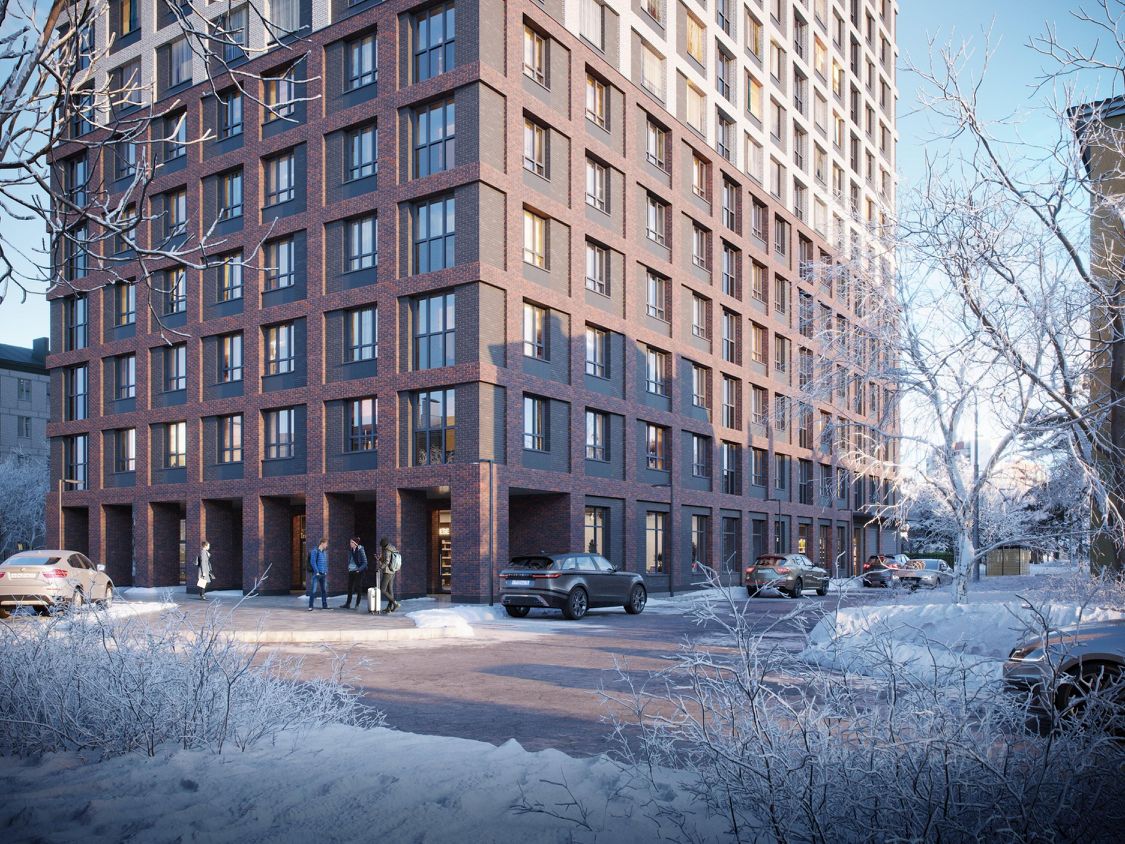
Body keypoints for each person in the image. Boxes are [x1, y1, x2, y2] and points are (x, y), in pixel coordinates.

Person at [340, 536, 368, 609]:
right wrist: (349, 567)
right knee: (350, 587)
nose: (350, 543)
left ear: (355, 543)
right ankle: (348, 604)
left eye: (351, 542)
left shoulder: (360, 550)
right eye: (350, 542)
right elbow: (351, 560)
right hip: (352, 570)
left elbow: (365, 563)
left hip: (359, 571)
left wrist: (359, 570)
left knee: (358, 587)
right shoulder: (351, 550)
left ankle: (357, 604)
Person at [378, 537, 401, 613]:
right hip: (392, 571)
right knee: (390, 589)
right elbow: (387, 560)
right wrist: (379, 559)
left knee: (382, 590)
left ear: (383, 545)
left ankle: (395, 603)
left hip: (387, 572)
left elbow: (387, 561)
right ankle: (389, 607)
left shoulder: (387, 550)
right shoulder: (392, 548)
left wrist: (380, 568)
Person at [307, 539, 328, 611]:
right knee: (313, 590)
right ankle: (310, 606)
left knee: (324, 590)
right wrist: (317, 572)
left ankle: (324, 606)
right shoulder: (315, 551)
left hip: (323, 574)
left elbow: (325, 562)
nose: (326, 545)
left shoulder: (324, 552)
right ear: (322, 543)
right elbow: (312, 562)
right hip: (316, 574)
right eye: (326, 544)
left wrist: (325, 571)